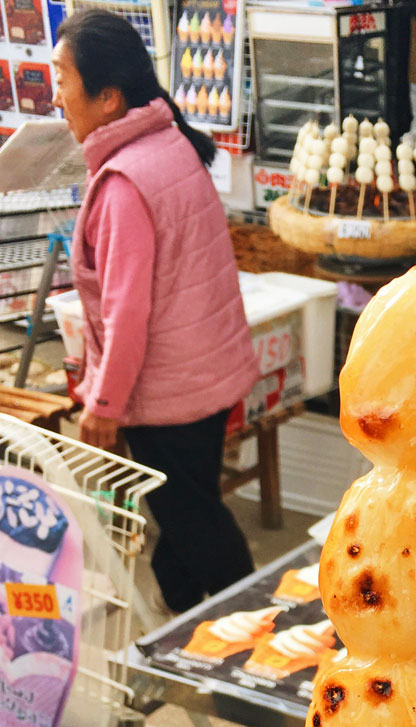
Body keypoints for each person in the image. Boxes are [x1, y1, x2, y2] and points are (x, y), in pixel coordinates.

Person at [52, 10, 259, 614]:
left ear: (109, 97)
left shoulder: (125, 183)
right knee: (183, 502)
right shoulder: (170, 146)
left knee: (193, 516)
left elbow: (126, 313)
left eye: (63, 79)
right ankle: (185, 613)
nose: (58, 96)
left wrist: (104, 406)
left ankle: (262, 626)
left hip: (170, 390)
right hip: (202, 374)